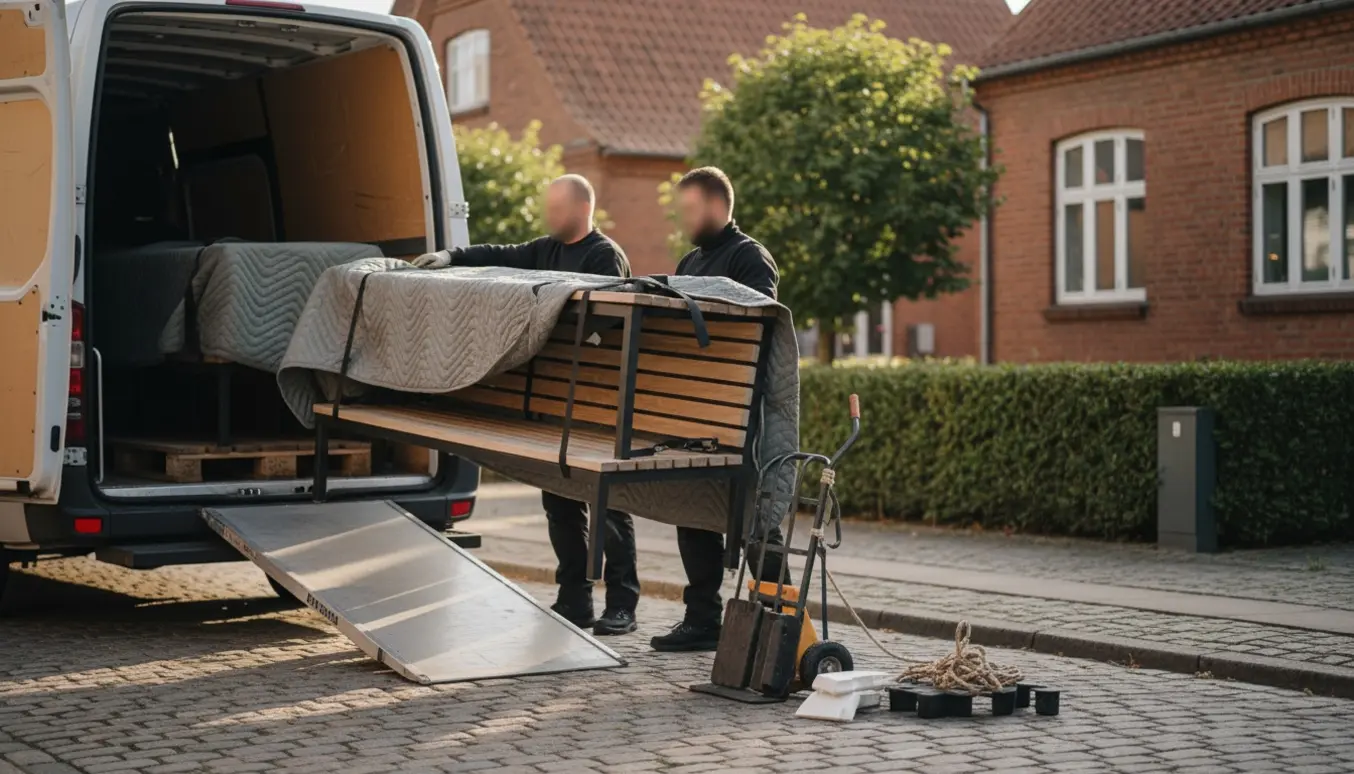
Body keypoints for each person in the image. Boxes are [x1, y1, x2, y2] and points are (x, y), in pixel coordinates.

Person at [413, 174, 641, 636]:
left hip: (598, 406)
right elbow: (501, 255)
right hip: (558, 401)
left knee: (609, 507)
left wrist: (577, 346)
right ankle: (574, 600)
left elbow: (613, 323)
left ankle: (622, 605)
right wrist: (451, 257)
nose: (549, 216)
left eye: (557, 209)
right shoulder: (546, 249)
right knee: (559, 503)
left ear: (582, 208)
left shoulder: (604, 256)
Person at [649, 166, 785, 653]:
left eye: (689, 209)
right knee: (693, 509)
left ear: (714, 205)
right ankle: (702, 620)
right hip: (695, 409)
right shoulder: (689, 261)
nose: (684, 220)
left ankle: (780, 619)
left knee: (753, 520)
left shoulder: (751, 258)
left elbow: (759, 324)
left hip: (741, 412)